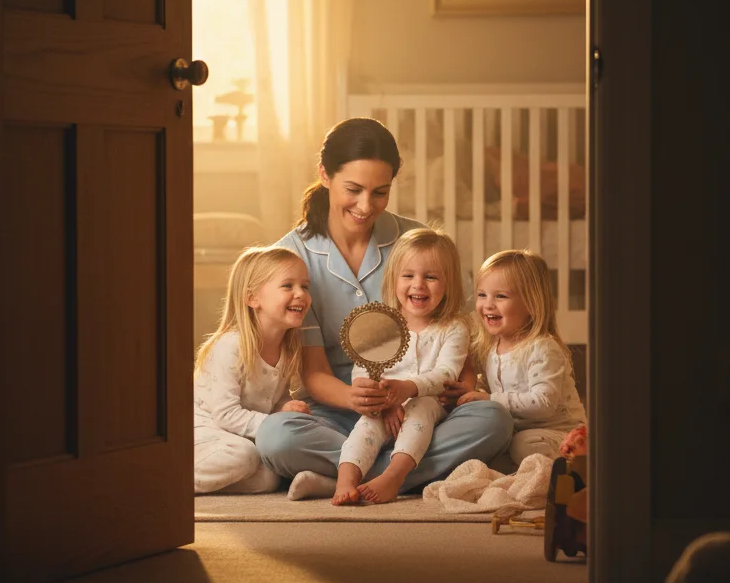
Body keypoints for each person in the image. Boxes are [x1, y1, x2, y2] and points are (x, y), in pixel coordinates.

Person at [255, 117, 513, 499]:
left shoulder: (417, 242)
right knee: (275, 436)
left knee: (494, 420)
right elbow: (313, 372)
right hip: (337, 406)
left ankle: (344, 476)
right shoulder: (292, 257)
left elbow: (456, 334)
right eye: (354, 189)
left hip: (420, 402)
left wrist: (463, 384)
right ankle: (399, 473)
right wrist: (362, 400)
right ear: (324, 175)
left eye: (380, 192)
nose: (365, 206)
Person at [333, 227, 470, 505]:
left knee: (420, 410)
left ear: (449, 284)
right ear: (394, 280)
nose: (418, 285)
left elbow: (446, 374)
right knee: (366, 426)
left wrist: (407, 390)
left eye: (431, 277)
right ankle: (345, 480)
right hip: (386, 404)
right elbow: (363, 367)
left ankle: (394, 476)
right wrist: (382, 401)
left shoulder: (454, 328)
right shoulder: (383, 324)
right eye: (408, 276)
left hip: (429, 402)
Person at [192, 246, 313, 494]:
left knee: (269, 477)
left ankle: (206, 484)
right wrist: (274, 422)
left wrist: (286, 408)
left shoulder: (286, 348)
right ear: (252, 298)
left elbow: (274, 399)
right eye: (288, 286)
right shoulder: (231, 346)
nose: (300, 294)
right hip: (205, 433)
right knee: (245, 455)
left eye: (305, 286)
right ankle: (165, 479)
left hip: (239, 438)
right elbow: (225, 414)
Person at [457, 249, 586, 466]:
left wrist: (490, 399)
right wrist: (472, 391)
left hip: (560, 433)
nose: (488, 304)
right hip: (519, 430)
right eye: (482, 295)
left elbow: (543, 402)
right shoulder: (492, 347)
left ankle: (573, 465)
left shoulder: (542, 348)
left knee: (523, 445)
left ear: (531, 304)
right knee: (489, 447)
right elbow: (495, 389)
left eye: (500, 296)